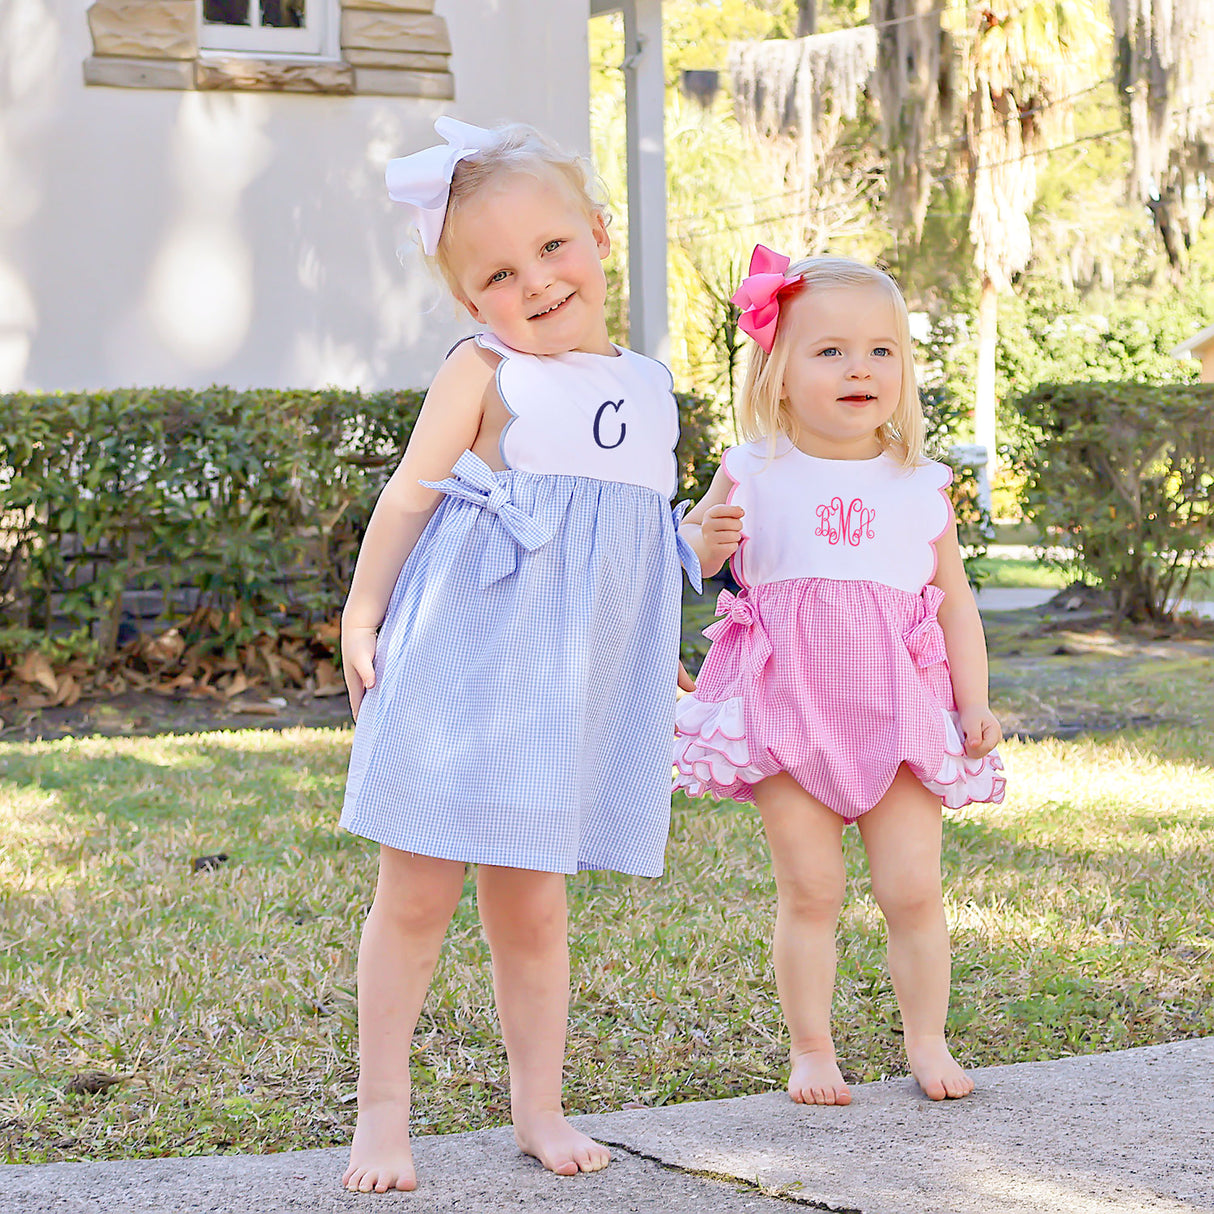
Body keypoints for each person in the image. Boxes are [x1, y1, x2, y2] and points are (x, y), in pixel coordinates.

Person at [339, 117, 699, 1193]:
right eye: (498, 272)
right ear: (469, 302)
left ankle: (537, 1103)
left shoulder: (647, 387)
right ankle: (381, 1109)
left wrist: (660, 646)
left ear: (597, 235)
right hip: (463, 665)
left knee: (532, 906)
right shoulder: (483, 369)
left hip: (559, 693)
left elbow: (630, 547)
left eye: (552, 248)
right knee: (415, 893)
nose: (535, 282)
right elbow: (408, 494)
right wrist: (363, 610)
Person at [674, 246, 1004, 1108]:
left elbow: (955, 604)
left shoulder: (921, 484)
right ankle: (813, 1049)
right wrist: (700, 543)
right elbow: (693, 561)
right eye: (830, 351)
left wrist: (973, 700)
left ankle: (926, 1041)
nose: (860, 368)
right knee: (812, 890)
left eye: (881, 350)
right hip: (787, 711)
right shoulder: (753, 470)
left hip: (898, 715)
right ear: (778, 373)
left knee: (912, 889)